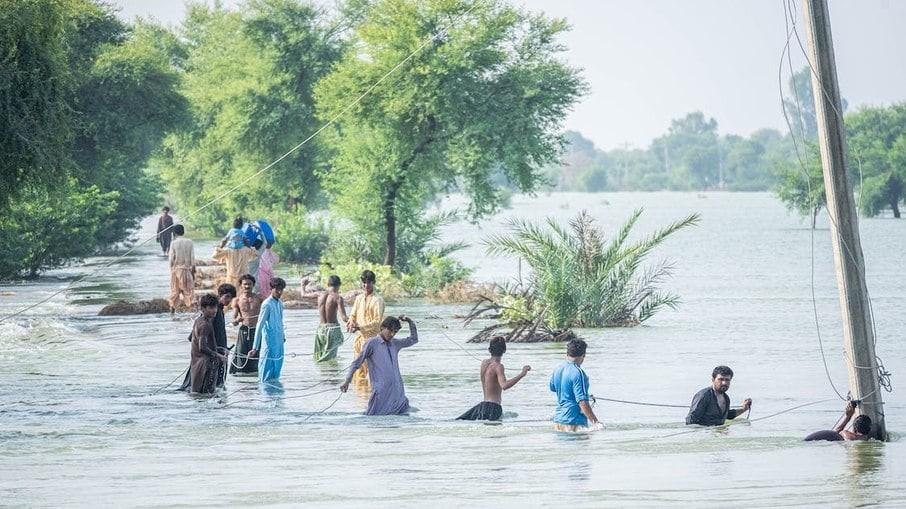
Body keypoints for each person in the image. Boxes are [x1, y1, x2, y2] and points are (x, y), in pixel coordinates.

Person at [340, 316, 418, 415]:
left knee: (400, 422)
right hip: (381, 394)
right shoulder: (372, 343)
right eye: (390, 331)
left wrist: (410, 321)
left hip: (397, 393)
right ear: (382, 328)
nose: (392, 334)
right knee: (376, 418)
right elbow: (356, 363)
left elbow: (414, 339)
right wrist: (347, 381)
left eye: (395, 332)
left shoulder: (395, 343)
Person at [457, 337, 530, 421]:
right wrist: (522, 374)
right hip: (494, 407)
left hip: (482, 406)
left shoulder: (484, 363)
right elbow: (504, 385)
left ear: (489, 350)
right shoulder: (499, 366)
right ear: (504, 350)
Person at [179, 283, 235, 391]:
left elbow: (193, 337)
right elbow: (196, 339)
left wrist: (221, 349)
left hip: (214, 353)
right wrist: (216, 353)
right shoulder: (210, 315)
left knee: (204, 388)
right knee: (209, 388)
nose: (229, 300)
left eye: (231, 298)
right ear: (220, 295)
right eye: (227, 296)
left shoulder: (217, 311)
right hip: (209, 357)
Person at [549, 339, 599, 431]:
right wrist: (596, 423)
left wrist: (584, 395)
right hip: (574, 422)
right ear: (584, 355)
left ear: (567, 354)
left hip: (558, 422)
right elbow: (582, 402)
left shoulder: (558, 368)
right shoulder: (578, 372)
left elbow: (553, 388)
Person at [346, 270, 384, 384]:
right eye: (364, 282)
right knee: (358, 371)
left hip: (373, 340)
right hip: (359, 340)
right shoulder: (359, 299)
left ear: (374, 283)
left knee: (371, 372)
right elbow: (353, 315)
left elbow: (377, 322)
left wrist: (360, 327)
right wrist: (351, 322)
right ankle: (361, 398)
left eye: (369, 282)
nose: (366, 285)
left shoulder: (378, 300)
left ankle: (369, 397)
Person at [685, 365, 752, 426]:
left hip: (718, 434)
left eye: (727, 380)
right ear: (713, 380)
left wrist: (744, 409)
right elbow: (690, 421)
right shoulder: (704, 396)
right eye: (721, 379)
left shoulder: (726, 398)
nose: (724, 383)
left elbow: (727, 415)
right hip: (705, 434)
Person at [248, 277, 286, 382]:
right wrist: (255, 347)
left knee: (276, 372)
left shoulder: (279, 303)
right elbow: (259, 326)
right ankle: (264, 396)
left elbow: (280, 321)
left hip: (279, 343)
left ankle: (276, 397)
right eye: (277, 289)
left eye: (281, 289)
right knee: (265, 373)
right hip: (269, 344)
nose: (279, 292)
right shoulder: (267, 304)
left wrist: (283, 335)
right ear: (271, 289)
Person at [189, 294, 228, 394]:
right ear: (203, 309)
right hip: (205, 366)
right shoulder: (205, 325)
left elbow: (203, 344)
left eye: (215, 307)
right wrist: (219, 355)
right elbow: (202, 348)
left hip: (198, 364)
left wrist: (220, 349)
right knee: (207, 395)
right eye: (211, 307)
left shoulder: (199, 321)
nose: (214, 310)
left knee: (201, 396)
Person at [230, 274, 261, 375]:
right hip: (244, 330)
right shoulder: (237, 300)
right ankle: (241, 377)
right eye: (245, 284)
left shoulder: (260, 298)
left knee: (257, 355)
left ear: (253, 285)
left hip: (257, 330)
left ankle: (256, 376)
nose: (247, 286)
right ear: (241, 286)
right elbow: (233, 321)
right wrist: (237, 320)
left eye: (250, 284)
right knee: (241, 356)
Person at [313, 275, 349, 362]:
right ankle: (331, 373)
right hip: (332, 330)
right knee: (330, 359)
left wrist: (303, 285)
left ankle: (322, 374)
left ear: (328, 284)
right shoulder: (337, 298)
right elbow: (344, 318)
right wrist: (354, 322)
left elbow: (303, 294)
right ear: (339, 285)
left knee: (319, 357)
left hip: (320, 330)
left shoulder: (320, 294)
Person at [805, 401, 872, 442]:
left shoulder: (845, 433)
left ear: (855, 428)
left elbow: (837, 431)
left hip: (811, 441)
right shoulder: (867, 439)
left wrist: (848, 417)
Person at [168, 224, 195, 312]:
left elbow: (171, 259)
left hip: (176, 270)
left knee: (175, 292)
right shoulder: (189, 242)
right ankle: (192, 312)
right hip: (187, 270)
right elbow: (192, 258)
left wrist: (171, 269)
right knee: (189, 292)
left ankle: (172, 311)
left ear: (174, 233)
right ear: (183, 232)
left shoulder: (174, 243)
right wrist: (193, 271)